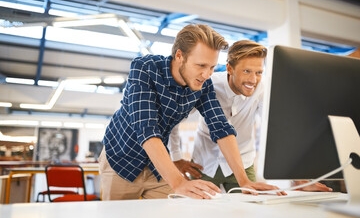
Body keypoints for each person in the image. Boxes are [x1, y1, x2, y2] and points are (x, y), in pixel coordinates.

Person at [99, 24, 284, 201]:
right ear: (179, 55)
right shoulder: (145, 68)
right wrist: (178, 181)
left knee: (176, 213)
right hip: (121, 161)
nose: (207, 74)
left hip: (159, 168)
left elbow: (221, 128)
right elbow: (147, 129)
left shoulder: (203, 85)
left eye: (211, 67)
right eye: (201, 65)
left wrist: (245, 181)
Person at [169, 40, 332, 193]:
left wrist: (297, 178)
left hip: (243, 164)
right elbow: (175, 119)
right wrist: (176, 157)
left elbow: (276, 131)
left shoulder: (262, 89)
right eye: (247, 71)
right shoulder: (208, 84)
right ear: (229, 68)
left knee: (247, 212)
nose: (253, 80)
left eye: (259, 72)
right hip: (204, 163)